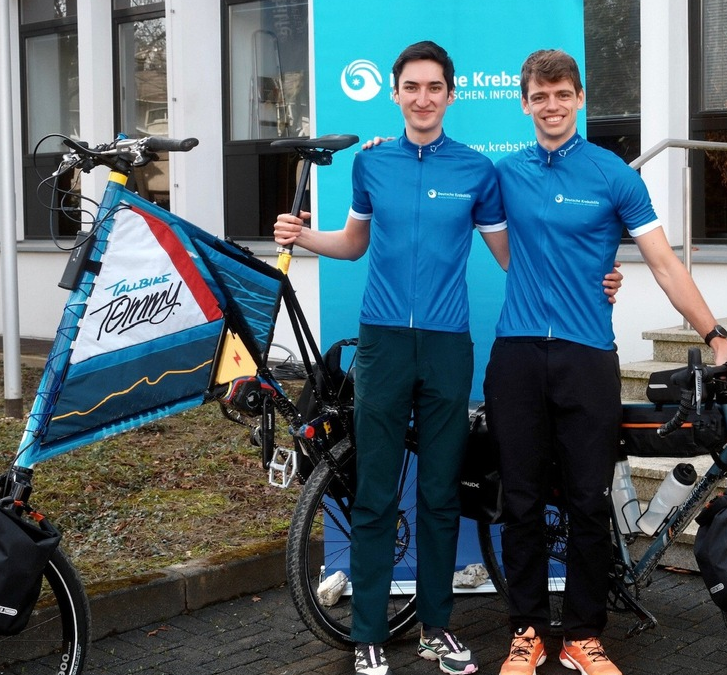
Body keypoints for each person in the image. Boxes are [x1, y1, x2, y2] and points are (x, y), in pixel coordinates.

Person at [274, 41, 622, 675]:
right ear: (397, 92)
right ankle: (370, 632)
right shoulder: (369, 165)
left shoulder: (477, 173)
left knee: (438, 495)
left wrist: (597, 275)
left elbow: (519, 256)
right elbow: (353, 245)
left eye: (435, 87)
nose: (424, 97)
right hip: (381, 343)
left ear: (451, 94)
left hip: (448, 346)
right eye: (413, 87)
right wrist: (305, 237)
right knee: (377, 491)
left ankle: (438, 629)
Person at [484, 49, 727, 675]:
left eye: (563, 94)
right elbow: (507, 252)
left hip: (588, 357)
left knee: (588, 500)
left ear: (580, 99)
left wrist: (718, 336)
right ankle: (527, 632)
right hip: (519, 355)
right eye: (540, 95)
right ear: (525, 102)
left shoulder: (613, 174)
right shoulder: (505, 175)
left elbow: (665, 265)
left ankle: (585, 635)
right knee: (524, 501)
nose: (552, 105)